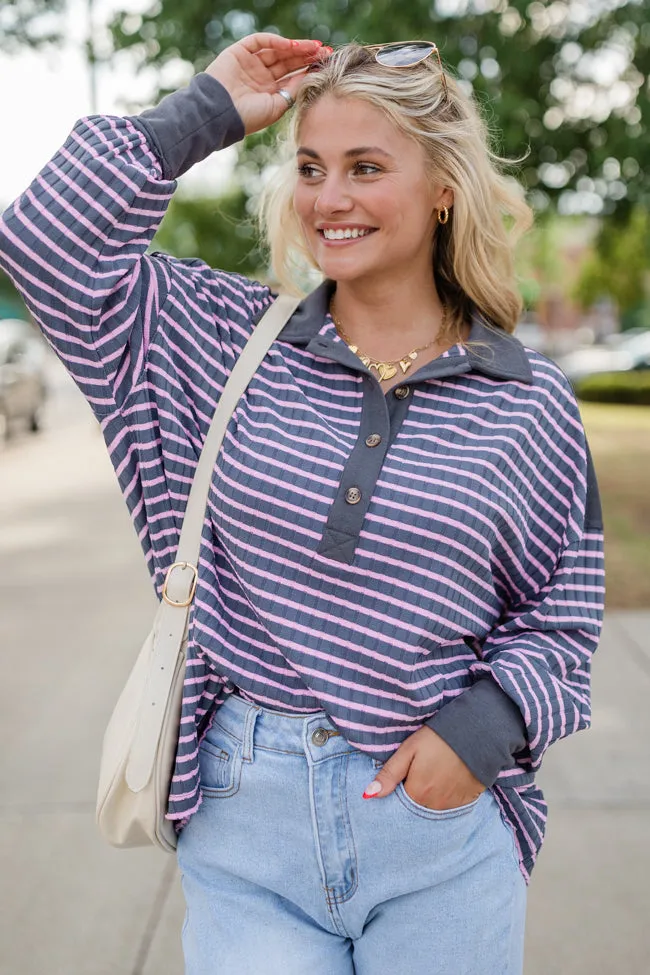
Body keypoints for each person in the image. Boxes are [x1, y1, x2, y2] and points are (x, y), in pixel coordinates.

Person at [0, 31, 605, 975]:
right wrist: (207, 107)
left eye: (367, 167)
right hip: (248, 823)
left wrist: (481, 731)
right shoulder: (218, 339)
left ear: (443, 186)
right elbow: (43, 242)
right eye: (313, 167)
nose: (330, 198)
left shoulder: (527, 400)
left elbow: (560, 618)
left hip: (437, 827)